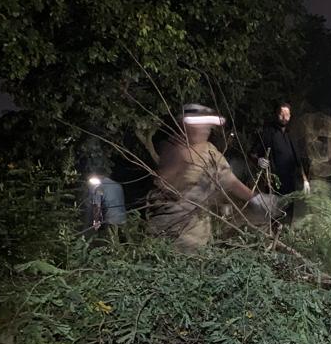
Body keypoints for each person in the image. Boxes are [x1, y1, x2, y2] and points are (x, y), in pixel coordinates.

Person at [147, 104, 277, 251]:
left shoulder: (209, 150)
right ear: (183, 125)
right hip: (171, 232)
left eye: (207, 126)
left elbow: (229, 179)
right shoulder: (172, 150)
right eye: (199, 125)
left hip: (198, 233)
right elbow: (165, 187)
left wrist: (256, 198)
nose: (204, 130)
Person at [252, 102, 310, 220]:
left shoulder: (291, 134)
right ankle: (274, 230)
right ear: (276, 114)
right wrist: (258, 160)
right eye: (281, 114)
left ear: (290, 116)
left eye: (287, 115)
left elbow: (298, 159)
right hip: (274, 183)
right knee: (275, 213)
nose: (284, 117)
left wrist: (305, 180)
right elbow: (252, 153)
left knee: (289, 211)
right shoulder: (268, 133)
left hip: (290, 182)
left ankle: (286, 230)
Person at [87, 172, 127, 242]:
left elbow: (97, 207)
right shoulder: (118, 185)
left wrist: (96, 221)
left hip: (111, 219)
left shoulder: (99, 188)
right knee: (124, 240)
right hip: (123, 218)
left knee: (113, 241)